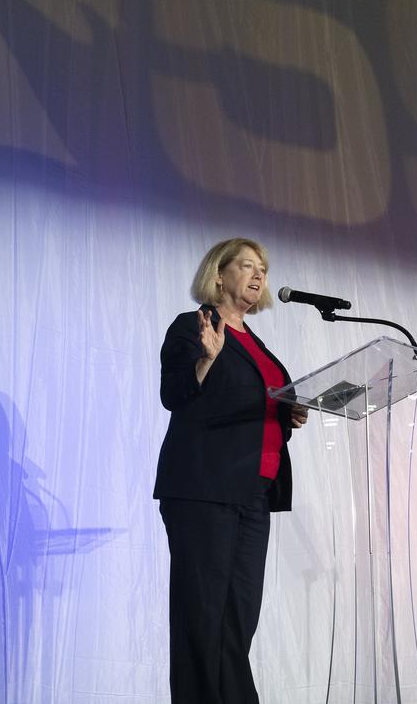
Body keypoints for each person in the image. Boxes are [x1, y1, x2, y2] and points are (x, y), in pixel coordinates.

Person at [154, 237, 308, 704]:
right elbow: (174, 395)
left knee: (237, 619)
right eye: (247, 265)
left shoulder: (256, 342)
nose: (259, 274)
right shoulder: (194, 326)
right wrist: (206, 359)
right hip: (205, 490)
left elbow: (248, 403)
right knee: (201, 618)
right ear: (218, 275)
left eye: (263, 267)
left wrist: (287, 412)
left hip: (254, 493)